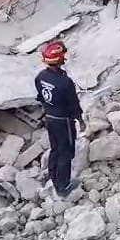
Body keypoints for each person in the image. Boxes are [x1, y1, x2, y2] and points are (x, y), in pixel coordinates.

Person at [34, 41, 86, 197]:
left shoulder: (40, 77)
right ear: (60, 60)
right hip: (64, 121)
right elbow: (73, 104)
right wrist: (80, 121)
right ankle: (63, 186)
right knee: (66, 152)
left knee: (55, 149)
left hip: (50, 118)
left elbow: (40, 97)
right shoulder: (65, 82)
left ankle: (53, 175)